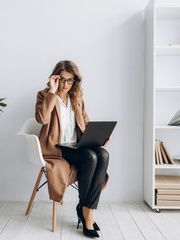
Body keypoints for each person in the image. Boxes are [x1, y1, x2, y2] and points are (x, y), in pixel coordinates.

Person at [35, 60, 110, 238]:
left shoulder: (76, 98)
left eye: (70, 80)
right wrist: (52, 93)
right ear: (55, 78)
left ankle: (85, 208)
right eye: (62, 80)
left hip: (76, 146)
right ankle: (87, 214)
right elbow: (42, 119)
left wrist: (100, 137)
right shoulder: (44, 95)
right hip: (55, 148)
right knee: (89, 158)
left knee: (102, 154)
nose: (66, 84)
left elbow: (86, 122)